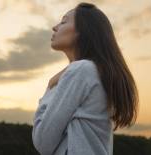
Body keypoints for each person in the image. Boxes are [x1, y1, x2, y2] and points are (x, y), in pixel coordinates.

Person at [32, 2, 139, 155]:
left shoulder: (81, 70)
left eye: (63, 21)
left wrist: (50, 87)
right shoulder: (97, 73)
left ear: (82, 31)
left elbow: (42, 141)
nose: (55, 27)